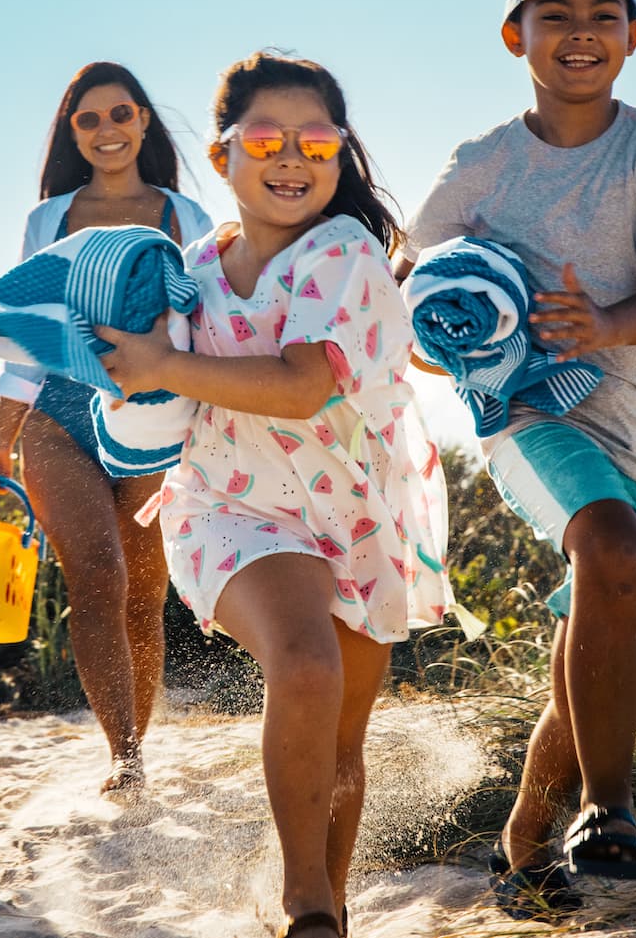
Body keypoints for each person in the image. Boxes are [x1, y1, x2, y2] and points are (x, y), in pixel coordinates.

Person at [98, 52, 450, 938]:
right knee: (303, 665)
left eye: (316, 141)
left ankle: (326, 903)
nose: (292, 156)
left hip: (356, 509)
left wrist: (165, 365)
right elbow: (144, 379)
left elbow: (302, 387)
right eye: (266, 138)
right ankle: (306, 907)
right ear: (223, 159)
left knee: (338, 740)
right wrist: (127, 377)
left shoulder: (344, 252)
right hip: (232, 505)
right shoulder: (191, 265)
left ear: (339, 154)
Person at [398, 0, 636, 909]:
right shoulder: (483, 165)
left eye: (602, 14)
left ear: (634, 35)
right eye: (555, 13)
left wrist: (604, 324)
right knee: (610, 554)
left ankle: (526, 845)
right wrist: (461, 333)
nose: (580, 31)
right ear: (514, 34)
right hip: (530, 418)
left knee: (599, 638)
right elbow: (407, 293)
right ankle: (610, 813)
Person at [0, 61, 211, 795]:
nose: (106, 130)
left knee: (144, 589)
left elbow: (208, 325)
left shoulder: (184, 216)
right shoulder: (48, 219)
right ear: (72, 133)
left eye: (119, 114)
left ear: (143, 121)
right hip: (59, 416)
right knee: (96, 576)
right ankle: (125, 756)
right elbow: (26, 333)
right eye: (88, 119)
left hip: (152, 416)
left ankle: (138, 743)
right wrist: (0, 434)